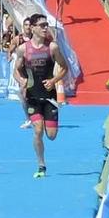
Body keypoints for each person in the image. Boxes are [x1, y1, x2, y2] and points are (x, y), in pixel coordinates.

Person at [14, 15, 64, 178]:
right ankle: (41, 164)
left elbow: (65, 67)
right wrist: (21, 80)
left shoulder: (53, 47)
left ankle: (43, 155)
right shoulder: (23, 49)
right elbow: (16, 69)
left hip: (50, 97)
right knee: (38, 129)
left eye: (46, 25)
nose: (45, 28)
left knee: (51, 136)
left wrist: (54, 80)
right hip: (32, 96)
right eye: (42, 25)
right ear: (33, 28)